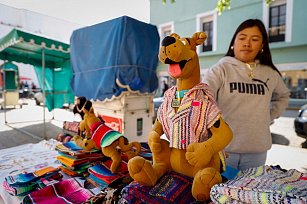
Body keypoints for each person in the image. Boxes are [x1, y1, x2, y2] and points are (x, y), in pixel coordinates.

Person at [203, 19, 290, 171]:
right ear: (233, 42)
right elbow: (203, 98)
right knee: (220, 192)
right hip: (223, 149)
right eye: (242, 38)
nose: (247, 43)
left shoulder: (270, 73)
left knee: (250, 193)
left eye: (255, 39)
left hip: (256, 152)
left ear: (262, 46)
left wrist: (269, 116)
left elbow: (283, 96)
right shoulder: (220, 70)